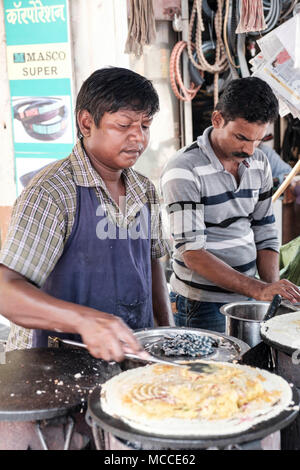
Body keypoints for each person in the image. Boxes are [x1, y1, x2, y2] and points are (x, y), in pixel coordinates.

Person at [0, 67, 173, 362]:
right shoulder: (52, 191)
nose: (138, 138)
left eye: (145, 126)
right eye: (124, 125)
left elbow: (152, 264)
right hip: (54, 362)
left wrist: (167, 336)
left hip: (130, 353)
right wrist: (84, 320)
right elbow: (6, 290)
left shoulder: (144, 190)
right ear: (86, 122)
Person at [161, 77, 300, 332]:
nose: (249, 149)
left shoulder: (259, 162)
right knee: (209, 372)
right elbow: (192, 253)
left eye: (257, 140)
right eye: (241, 138)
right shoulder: (183, 168)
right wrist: (259, 289)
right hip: (200, 304)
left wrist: (272, 291)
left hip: (248, 294)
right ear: (217, 120)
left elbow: (265, 230)